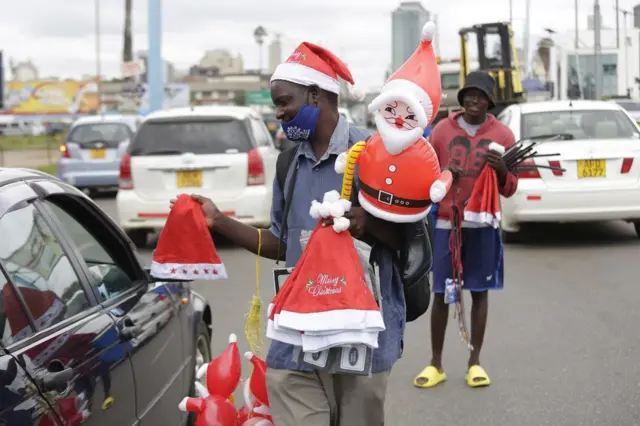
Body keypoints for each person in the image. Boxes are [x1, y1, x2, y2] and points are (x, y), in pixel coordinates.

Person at [171, 43, 407, 426]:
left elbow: (408, 240)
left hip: (363, 328)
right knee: (283, 381)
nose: (278, 114)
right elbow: (282, 244)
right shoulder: (288, 163)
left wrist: (368, 224)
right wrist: (219, 221)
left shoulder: (375, 153)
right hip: (302, 325)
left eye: (284, 102)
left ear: (316, 94)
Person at [413, 71, 518, 389]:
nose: (475, 100)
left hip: (483, 223)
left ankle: (475, 363)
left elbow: (510, 188)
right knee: (441, 295)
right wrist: (444, 173)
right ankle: (436, 363)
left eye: (481, 95)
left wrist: (501, 170)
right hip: (448, 222)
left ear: (490, 101)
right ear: (462, 99)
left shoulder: (503, 135)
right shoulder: (443, 130)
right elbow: (425, 175)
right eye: (469, 94)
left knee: (480, 293)